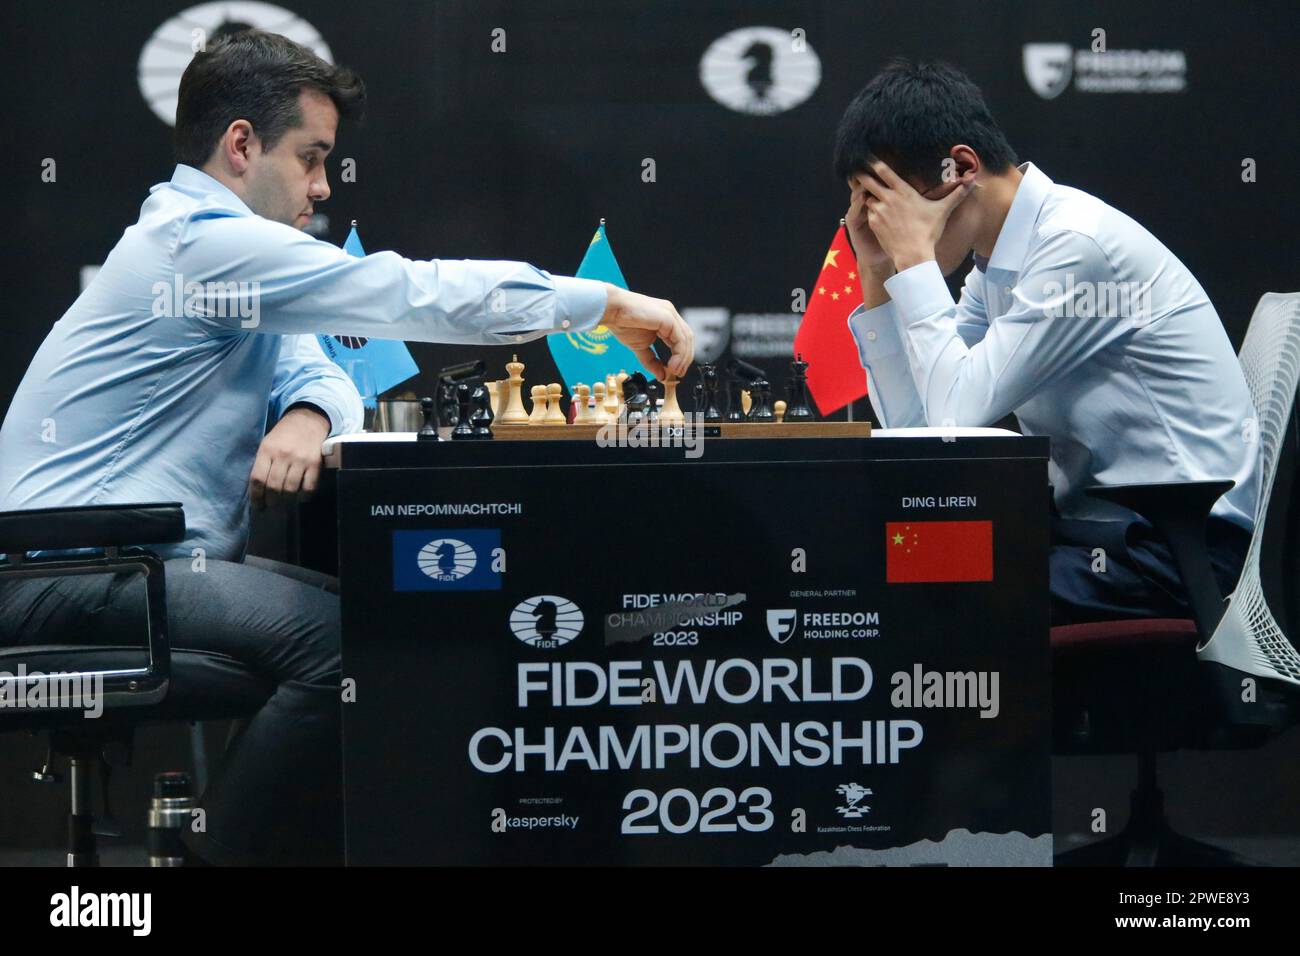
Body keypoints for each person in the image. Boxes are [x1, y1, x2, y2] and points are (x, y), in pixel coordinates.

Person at [0, 29, 693, 865]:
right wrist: (608, 304)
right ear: (242, 145)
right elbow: (405, 293)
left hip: (115, 564)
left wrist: (309, 418)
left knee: (381, 613)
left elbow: (321, 366)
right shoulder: (201, 248)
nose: (323, 187)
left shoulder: (211, 254)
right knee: (348, 648)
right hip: (68, 573)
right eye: (311, 157)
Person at [832, 58, 1259, 625]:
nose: (879, 226)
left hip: (1184, 549)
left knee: (935, 601)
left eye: (886, 206)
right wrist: (880, 277)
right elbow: (923, 428)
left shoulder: (1074, 248)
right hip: (1102, 535)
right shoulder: (998, 264)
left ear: (960, 167)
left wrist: (912, 261)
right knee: (895, 567)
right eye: (865, 208)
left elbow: (956, 418)